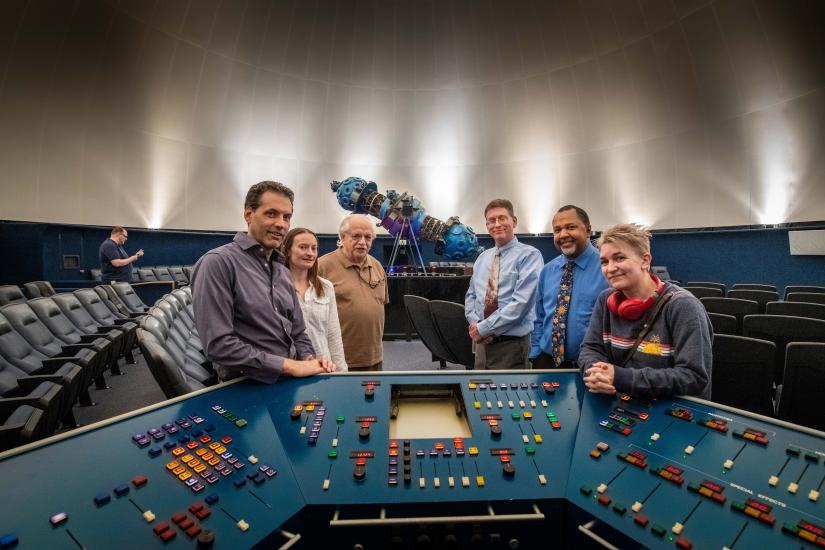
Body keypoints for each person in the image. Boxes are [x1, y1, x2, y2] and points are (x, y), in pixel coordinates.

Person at [191, 181, 335, 383]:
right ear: (248, 215)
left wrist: (308, 359)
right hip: (244, 388)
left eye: (287, 217)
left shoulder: (282, 270)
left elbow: (298, 332)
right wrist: (290, 365)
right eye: (271, 214)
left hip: (286, 382)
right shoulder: (217, 263)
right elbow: (219, 345)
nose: (281, 224)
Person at [579, 223, 712, 399]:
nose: (610, 268)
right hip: (622, 403)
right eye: (604, 261)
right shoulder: (605, 299)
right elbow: (590, 347)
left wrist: (620, 377)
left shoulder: (684, 306)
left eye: (619, 258)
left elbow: (693, 377)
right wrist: (596, 372)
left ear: (645, 261)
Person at [465, 199, 544, 369]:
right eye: (491, 221)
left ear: (514, 221)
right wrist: (476, 326)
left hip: (511, 346)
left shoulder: (530, 256)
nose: (497, 224)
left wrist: (484, 328)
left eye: (502, 218)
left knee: (509, 395)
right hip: (481, 345)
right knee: (479, 392)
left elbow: (521, 305)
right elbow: (471, 296)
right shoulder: (482, 258)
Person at [530, 205, 608, 368]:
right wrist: (536, 353)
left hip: (592, 367)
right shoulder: (547, 271)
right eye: (557, 230)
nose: (563, 234)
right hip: (547, 363)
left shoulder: (607, 269)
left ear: (588, 230)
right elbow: (539, 317)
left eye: (571, 227)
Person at [318, 214, 389, 371]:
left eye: (367, 237)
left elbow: (380, 306)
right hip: (338, 359)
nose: (362, 242)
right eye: (356, 236)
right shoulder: (322, 267)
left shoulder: (377, 266)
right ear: (342, 238)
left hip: (374, 357)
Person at [283, 227, 348, 372]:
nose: (310, 253)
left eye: (314, 248)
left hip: (322, 367)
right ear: (287, 250)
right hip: (290, 369)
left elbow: (333, 334)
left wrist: (342, 372)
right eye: (303, 247)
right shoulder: (276, 288)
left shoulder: (326, 287)